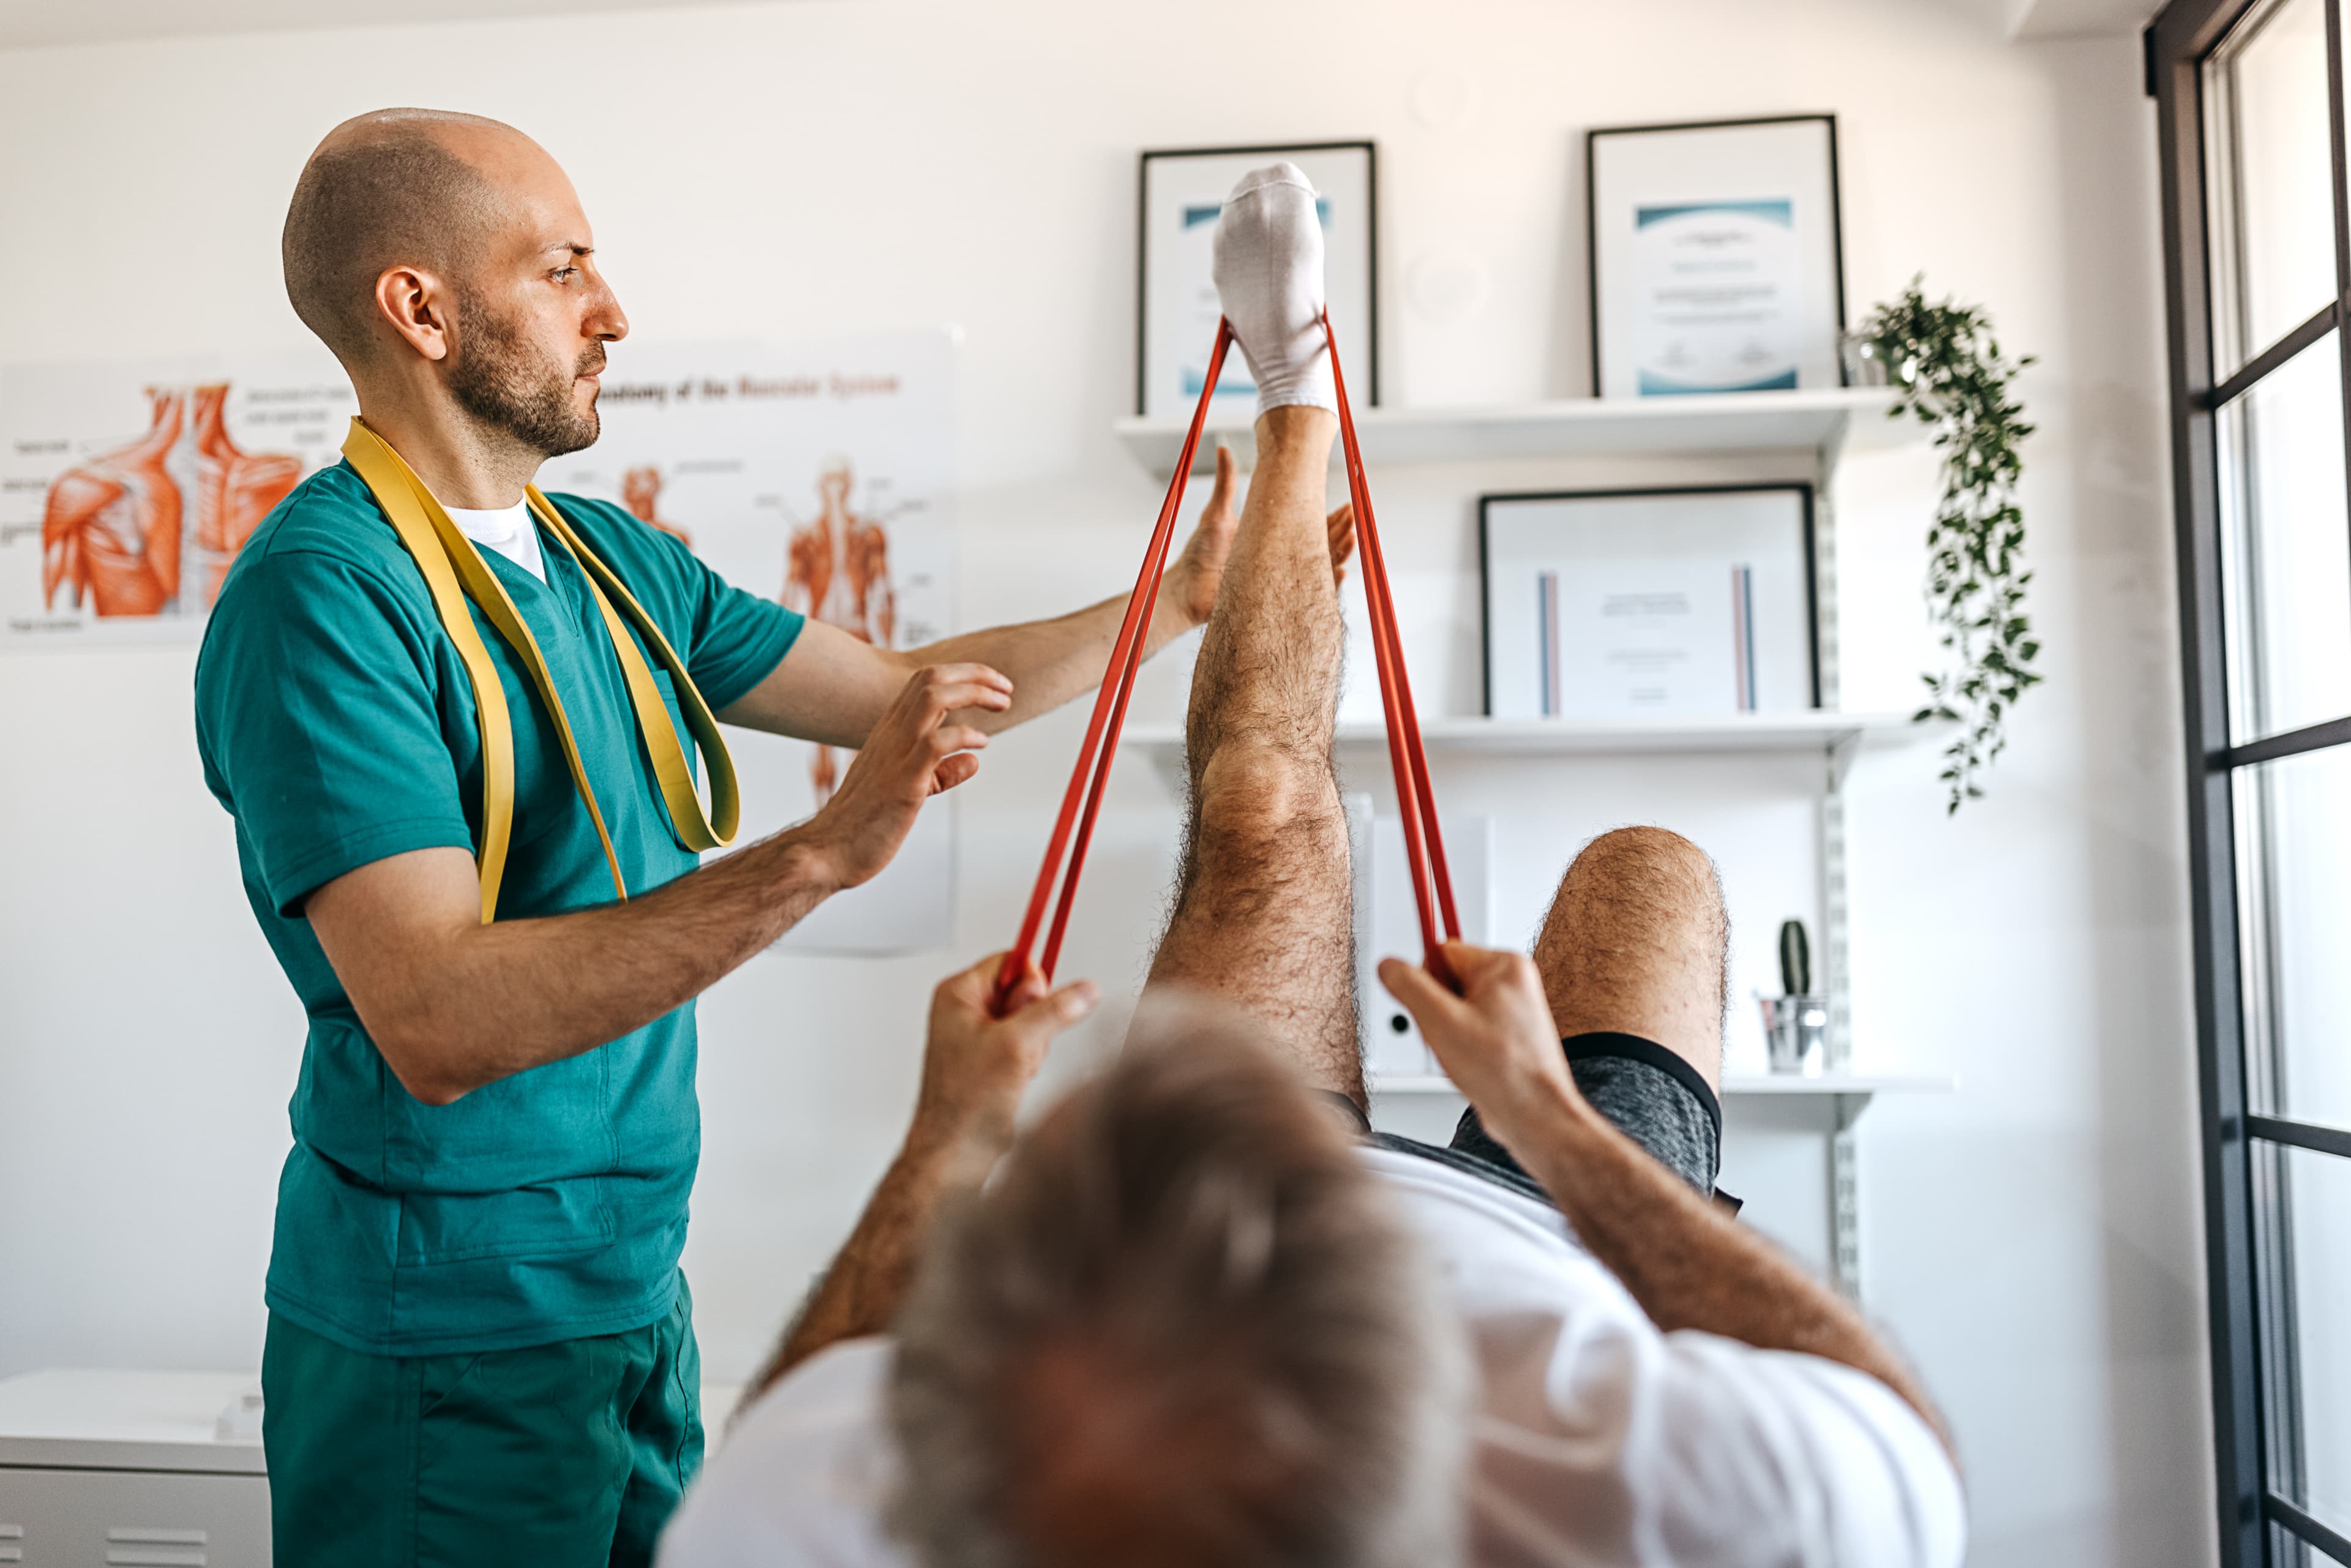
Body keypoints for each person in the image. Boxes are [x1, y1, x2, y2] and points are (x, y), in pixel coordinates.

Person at [658, 165, 1966, 1568]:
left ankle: (1293, 387)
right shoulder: (1650, 1496)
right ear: (1424, 1437)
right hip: (1547, 1226)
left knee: (1264, 806)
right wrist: (1553, 1124)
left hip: (1210, 1210)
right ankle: (1294, 382)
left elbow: (797, 1420)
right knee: (1646, 869)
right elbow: (1886, 1422)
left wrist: (951, 1134)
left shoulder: (862, 1522)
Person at [192, 108, 1300, 1568]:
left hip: (634, 1293)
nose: (614, 311)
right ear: (421, 309)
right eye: (564, 267)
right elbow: (436, 1017)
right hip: (443, 1336)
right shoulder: (325, 599)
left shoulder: (605, 555)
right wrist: (821, 856)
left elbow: (913, 693)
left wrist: (1172, 608)